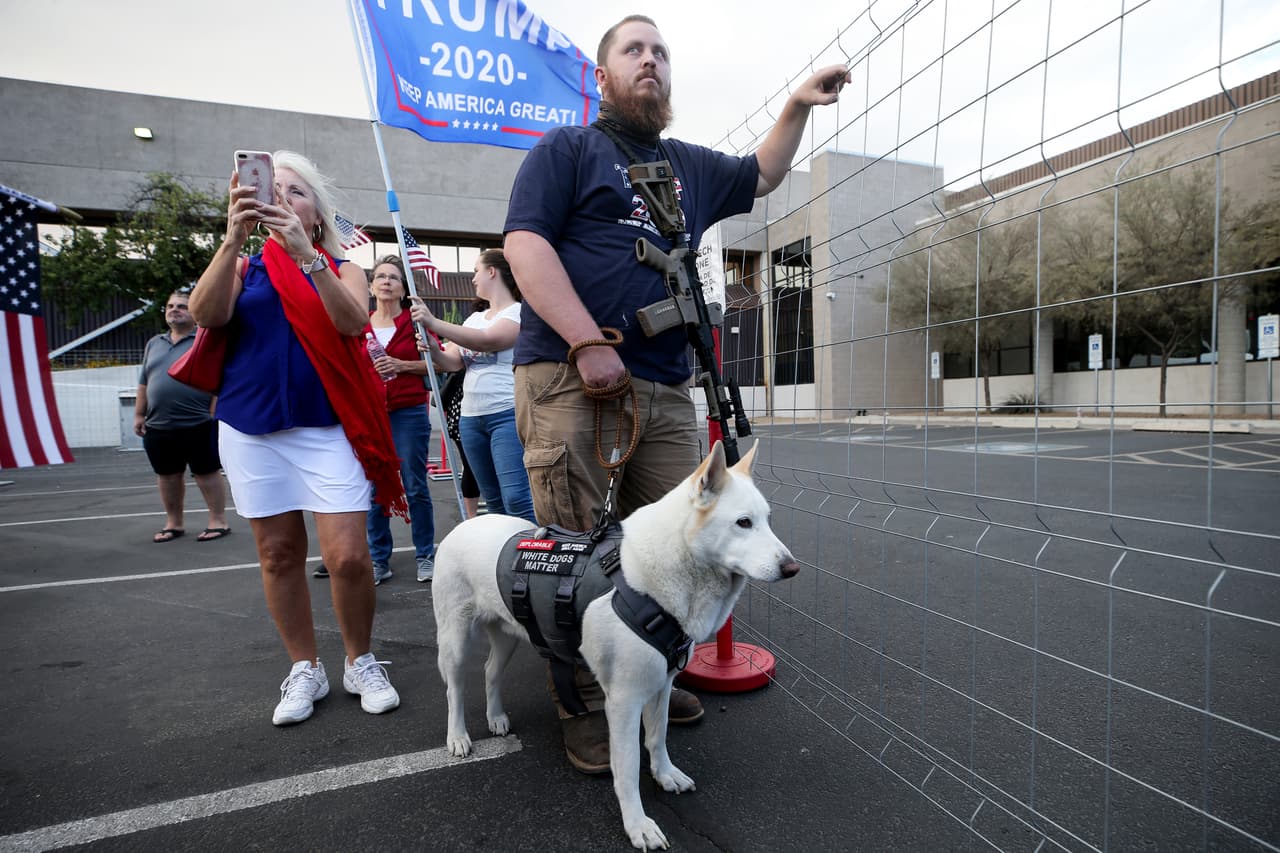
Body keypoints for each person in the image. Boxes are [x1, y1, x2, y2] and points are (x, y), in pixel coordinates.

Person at [502, 15, 850, 773]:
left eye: (660, 51)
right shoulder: (567, 150)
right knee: (573, 555)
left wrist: (795, 105)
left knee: (667, 551)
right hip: (572, 377)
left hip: (662, 390)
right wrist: (586, 339)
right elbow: (524, 246)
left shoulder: (687, 165)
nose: (650, 60)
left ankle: (649, 681)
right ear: (604, 77)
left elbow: (761, 175)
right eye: (633, 50)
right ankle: (585, 707)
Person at [190, 149, 406, 726]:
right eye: (271, 187)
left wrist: (308, 257)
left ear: (317, 213)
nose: (282, 196)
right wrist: (233, 239)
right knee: (278, 554)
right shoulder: (243, 266)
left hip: (329, 428)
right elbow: (204, 315)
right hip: (252, 428)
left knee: (349, 557)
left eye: (297, 191)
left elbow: (353, 324)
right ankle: (304, 667)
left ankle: (360, 660)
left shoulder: (342, 268)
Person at [410, 248, 535, 523]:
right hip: (471, 418)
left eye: (477, 270)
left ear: (492, 272)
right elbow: (453, 362)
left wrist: (433, 322)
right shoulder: (474, 318)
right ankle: (503, 555)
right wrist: (433, 348)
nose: (473, 278)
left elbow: (488, 340)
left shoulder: (518, 313)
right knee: (493, 499)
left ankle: (531, 555)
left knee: (516, 496)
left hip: (506, 414)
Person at [134, 289, 230, 543]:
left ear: (195, 312)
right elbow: (144, 382)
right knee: (167, 475)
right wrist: (138, 414)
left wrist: (214, 413)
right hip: (159, 425)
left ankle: (217, 521)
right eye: (170, 306)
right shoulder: (154, 343)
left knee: (207, 472)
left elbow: (221, 378)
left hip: (199, 422)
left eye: (182, 306)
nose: (174, 310)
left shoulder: (206, 340)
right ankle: (174, 524)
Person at [364, 254, 436, 584]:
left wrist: (402, 365)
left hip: (408, 413)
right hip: (372, 415)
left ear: (403, 287)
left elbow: (438, 364)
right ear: (371, 285)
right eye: (381, 276)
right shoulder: (360, 325)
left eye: (394, 277)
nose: (387, 281)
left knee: (415, 485)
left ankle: (426, 554)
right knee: (375, 488)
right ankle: (379, 559)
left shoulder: (416, 323)